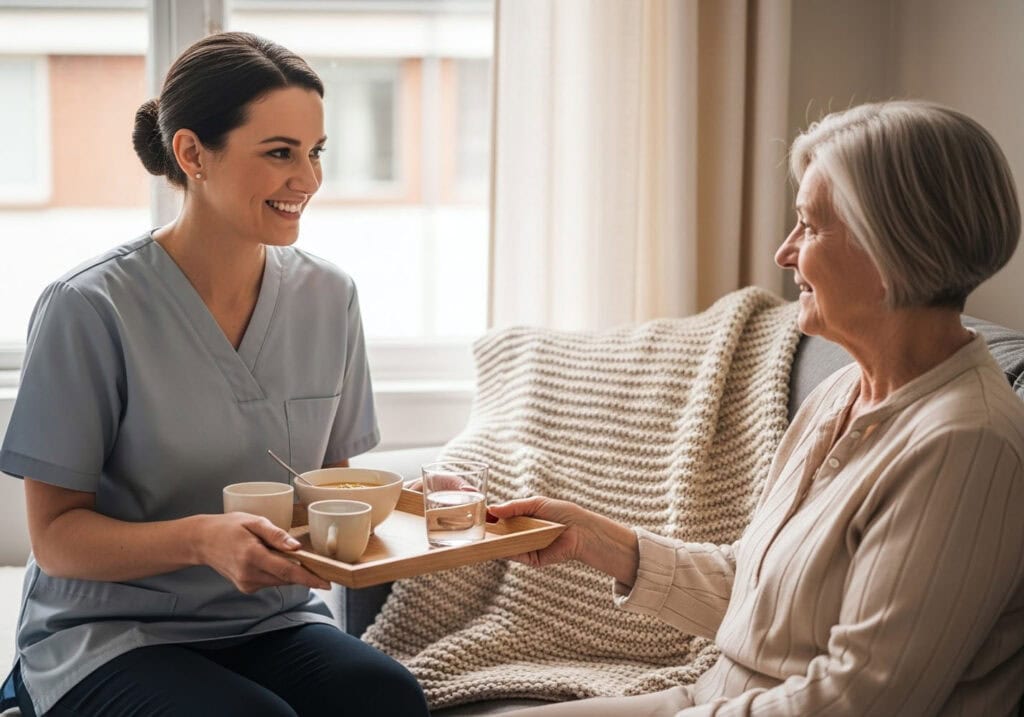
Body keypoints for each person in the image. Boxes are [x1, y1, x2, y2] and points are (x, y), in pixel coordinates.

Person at [488, 101, 1024, 715]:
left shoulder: (966, 445)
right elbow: (759, 598)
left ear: (891, 252)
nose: (785, 252)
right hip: (717, 698)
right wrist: (593, 538)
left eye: (810, 226)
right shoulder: (843, 394)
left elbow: (860, 700)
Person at [0, 32, 428, 716]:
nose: (309, 180)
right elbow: (55, 537)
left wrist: (422, 500)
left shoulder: (329, 297)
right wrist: (202, 539)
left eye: (315, 152)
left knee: (388, 699)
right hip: (112, 634)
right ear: (193, 153)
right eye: (280, 153)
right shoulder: (88, 307)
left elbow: (328, 493)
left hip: (268, 619)